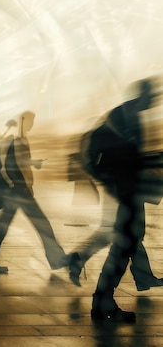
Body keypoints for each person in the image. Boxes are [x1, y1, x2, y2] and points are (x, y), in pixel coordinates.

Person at [83, 78, 162, 322]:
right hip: (126, 191)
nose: (156, 100)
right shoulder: (127, 115)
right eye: (153, 95)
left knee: (128, 243)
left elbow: (126, 154)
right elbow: (124, 156)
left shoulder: (128, 113)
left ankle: (105, 299)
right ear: (144, 95)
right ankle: (103, 301)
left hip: (126, 190)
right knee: (123, 246)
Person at [0, 111, 71, 273]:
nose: (32, 124)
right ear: (23, 121)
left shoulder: (16, 138)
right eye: (30, 121)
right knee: (42, 224)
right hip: (18, 191)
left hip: (16, 190)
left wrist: (33, 163)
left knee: (2, 227)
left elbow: (18, 161)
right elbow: (9, 164)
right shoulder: (16, 139)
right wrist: (14, 184)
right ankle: (56, 259)